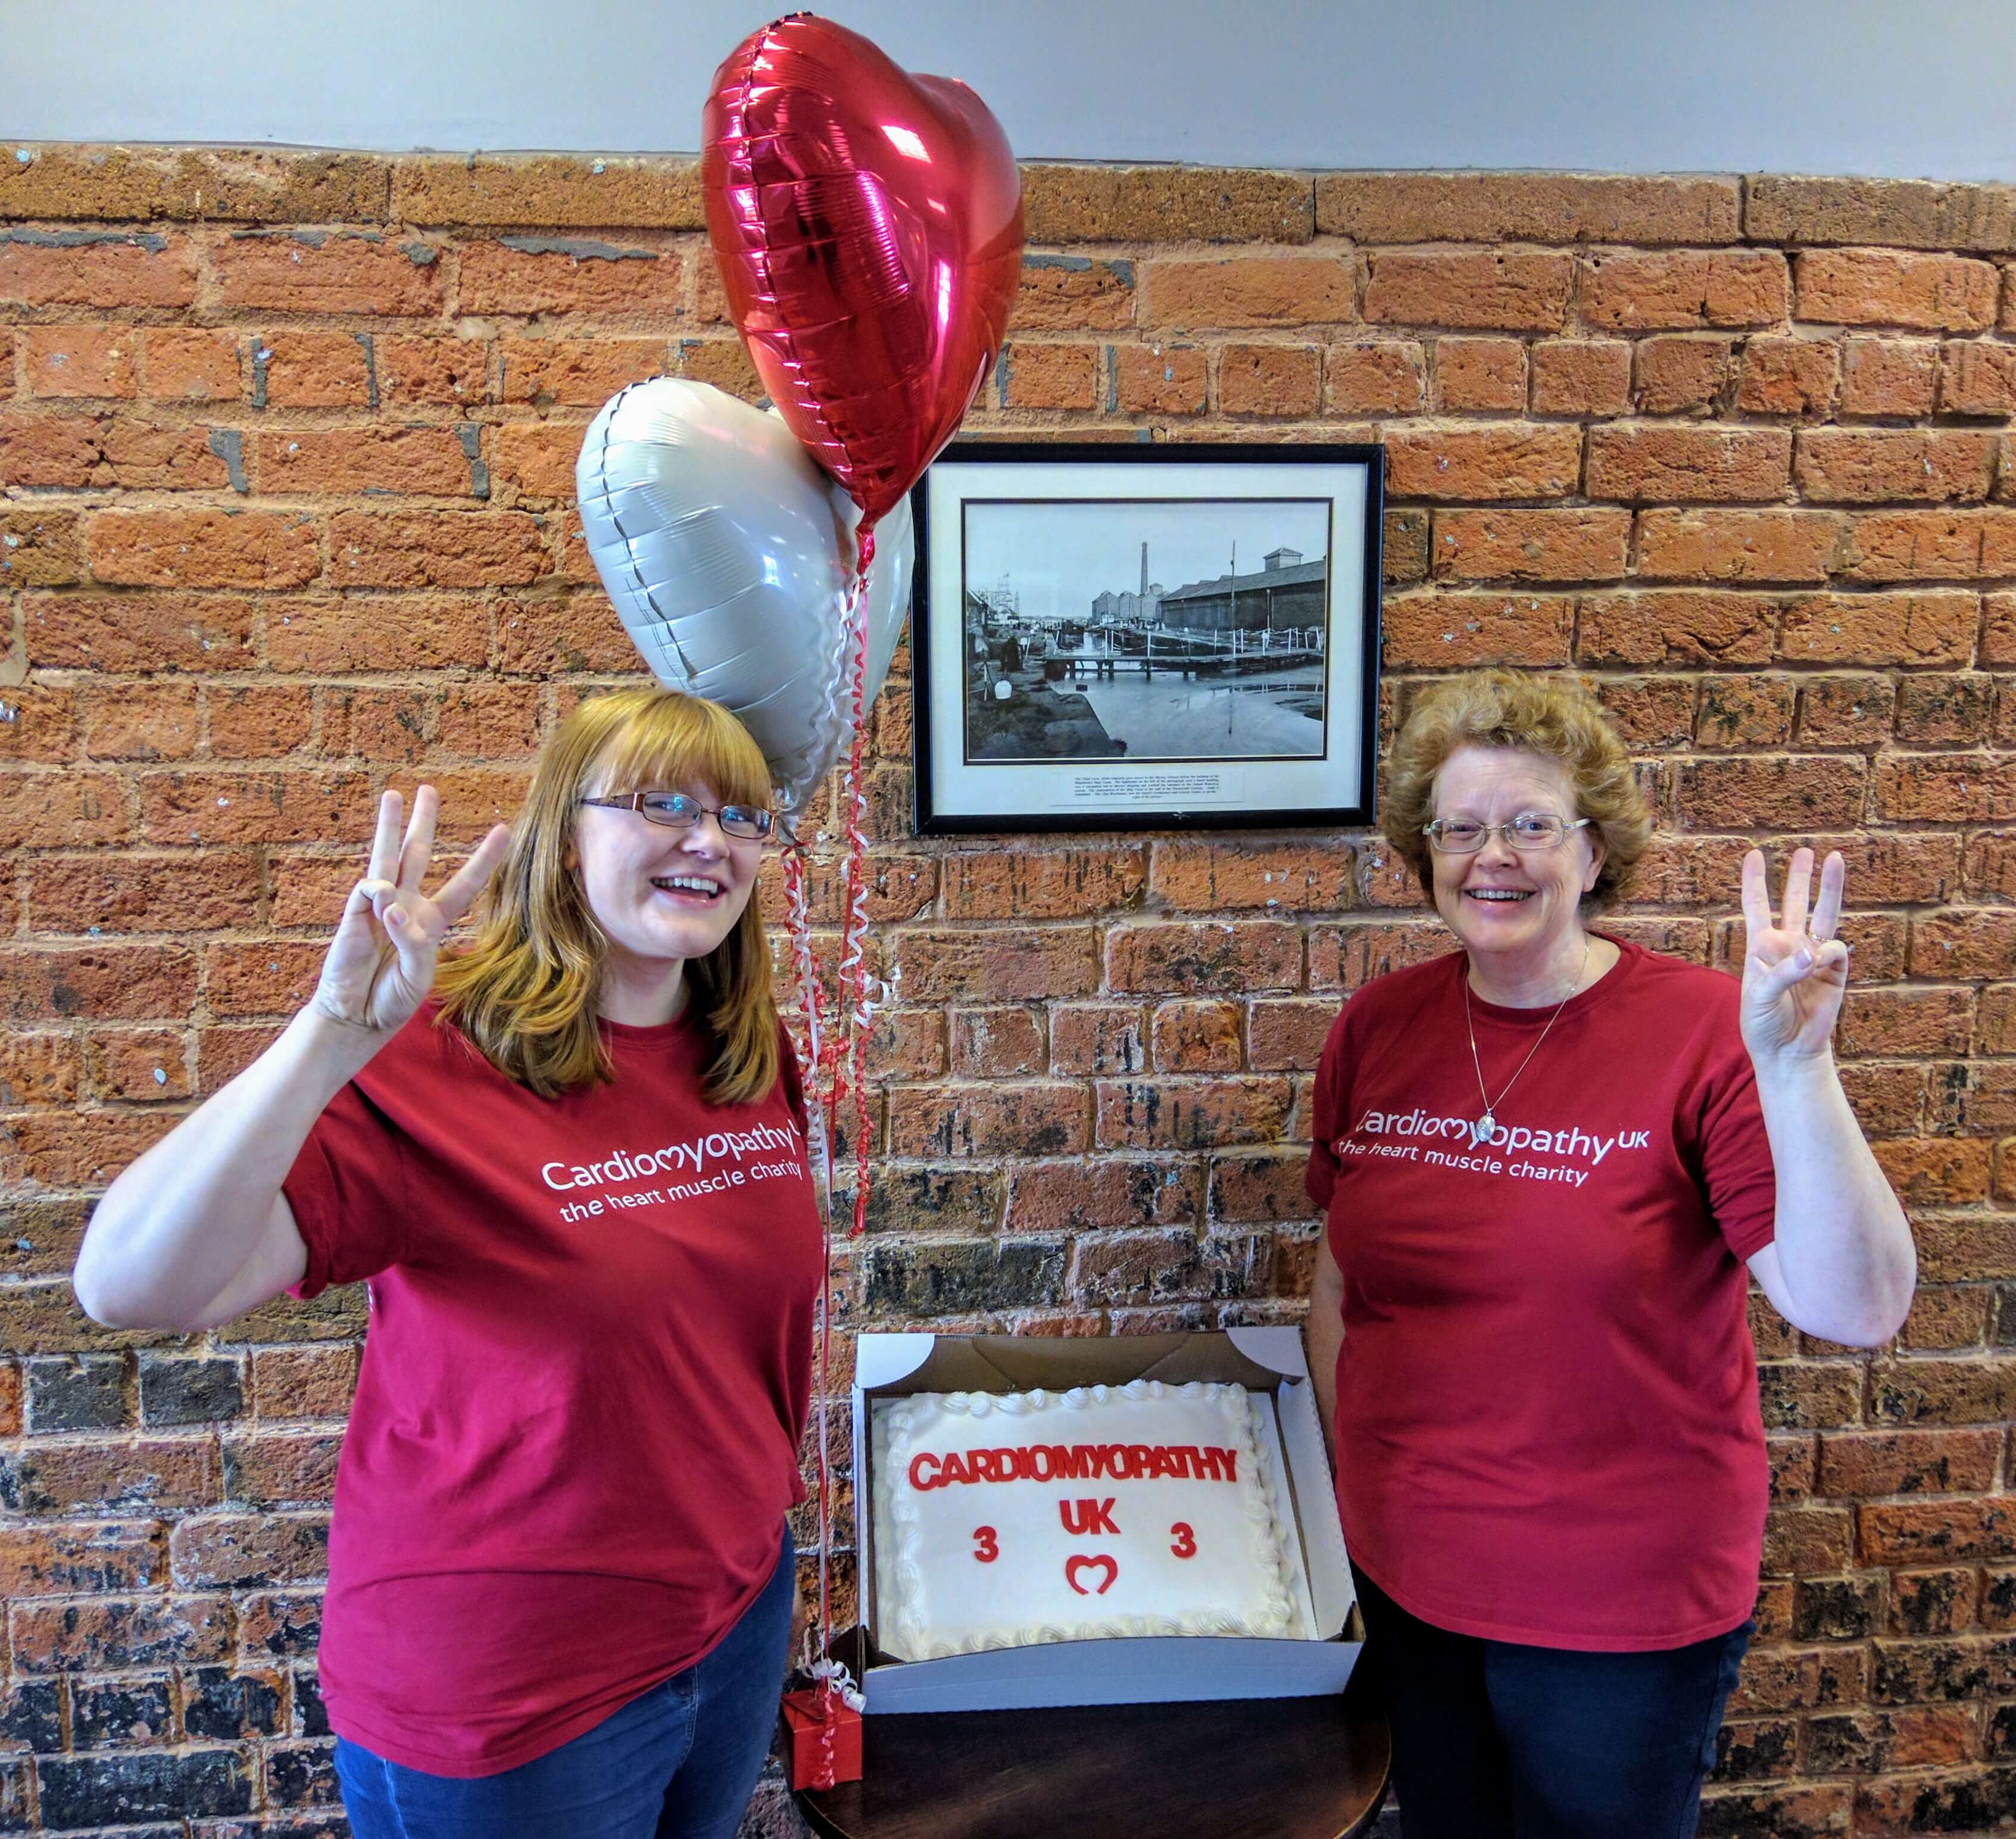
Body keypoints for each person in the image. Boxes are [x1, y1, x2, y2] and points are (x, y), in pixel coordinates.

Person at [74, 688, 824, 1839]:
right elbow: (130, 1287)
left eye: (740, 818)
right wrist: (330, 1036)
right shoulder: (433, 1059)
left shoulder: (745, 1052)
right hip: (511, 1687)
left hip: (729, 1619)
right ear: (563, 840)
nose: (706, 841)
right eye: (660, 804)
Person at [1303, 670, 1913, 1839]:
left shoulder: (1700, 1031)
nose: (1495, 855)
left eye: (1531, 824)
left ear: (1591, 852)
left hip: (1618, 1607)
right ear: (1424, 853)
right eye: (1462, 827)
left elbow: (1856, 1304)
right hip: (1405, 1578)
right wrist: (1355, 1490)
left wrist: (1797, 1070)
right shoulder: (1377, 1027)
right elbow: (1341, 1281)